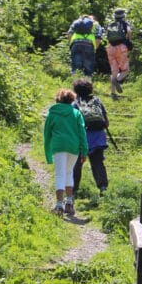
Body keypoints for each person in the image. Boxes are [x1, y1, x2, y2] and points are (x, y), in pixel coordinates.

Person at [43, 87, 88, 216]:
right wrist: (84, 151)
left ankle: (58, 205)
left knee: (59, 174)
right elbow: (82, 133)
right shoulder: (76, 113)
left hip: (59, 146)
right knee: (69, 173)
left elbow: (47, 134)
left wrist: (47, 153)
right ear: (71, 100)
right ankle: (69, 203)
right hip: (73, 147)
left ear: (58, 99)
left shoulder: (52, 113)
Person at [71, 78, 109, 196]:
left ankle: (73, 190)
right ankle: (103, 187)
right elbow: (106, 122)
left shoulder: (75, 104)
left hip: (82, 138)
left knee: (76, 165)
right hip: (98, 137)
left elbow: (73, 123)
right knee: (98, 163)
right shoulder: (97, 101)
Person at [105, 7, 132, 99]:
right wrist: (129, 40)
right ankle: (117, 80)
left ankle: (113, 93)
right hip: (121, 48)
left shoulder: (111, 24)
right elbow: (129, 31)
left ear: (115, 16)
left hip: (110, 48)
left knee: (114, 71)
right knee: (125, 70)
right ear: (123, 16)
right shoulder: (125, 23)